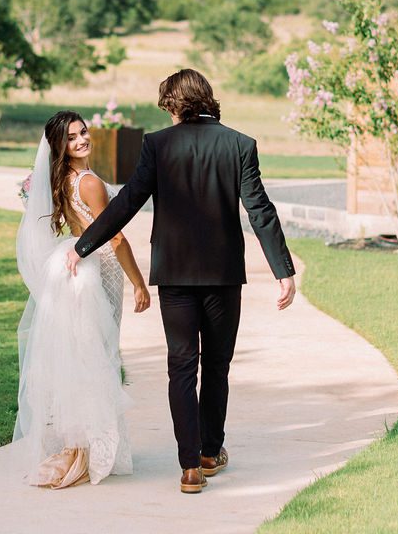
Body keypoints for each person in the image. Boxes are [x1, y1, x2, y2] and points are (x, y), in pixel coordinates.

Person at [66, 69, 296, 494]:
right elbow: (259, 209)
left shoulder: (157, 144)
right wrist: (283, 270)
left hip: (173, 274)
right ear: (207, 99)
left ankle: (189, 468)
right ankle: (211, 452)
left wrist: (82, 245)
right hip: (223, 275)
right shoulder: (240, 144)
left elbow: (130, 199)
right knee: (217, 366)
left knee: (181, 366)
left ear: (174, 104)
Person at [13, 110, 151, 489]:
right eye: (72, 138)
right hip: (100, 269)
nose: (81, 140)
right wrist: (138, 282)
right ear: (62, 147)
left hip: (73, 262)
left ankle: (83, 445)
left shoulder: (61, 180)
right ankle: (92, 449)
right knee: (101, 355)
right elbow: (115, 237)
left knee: (83, 355)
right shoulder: (89, 182)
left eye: (83, 132)